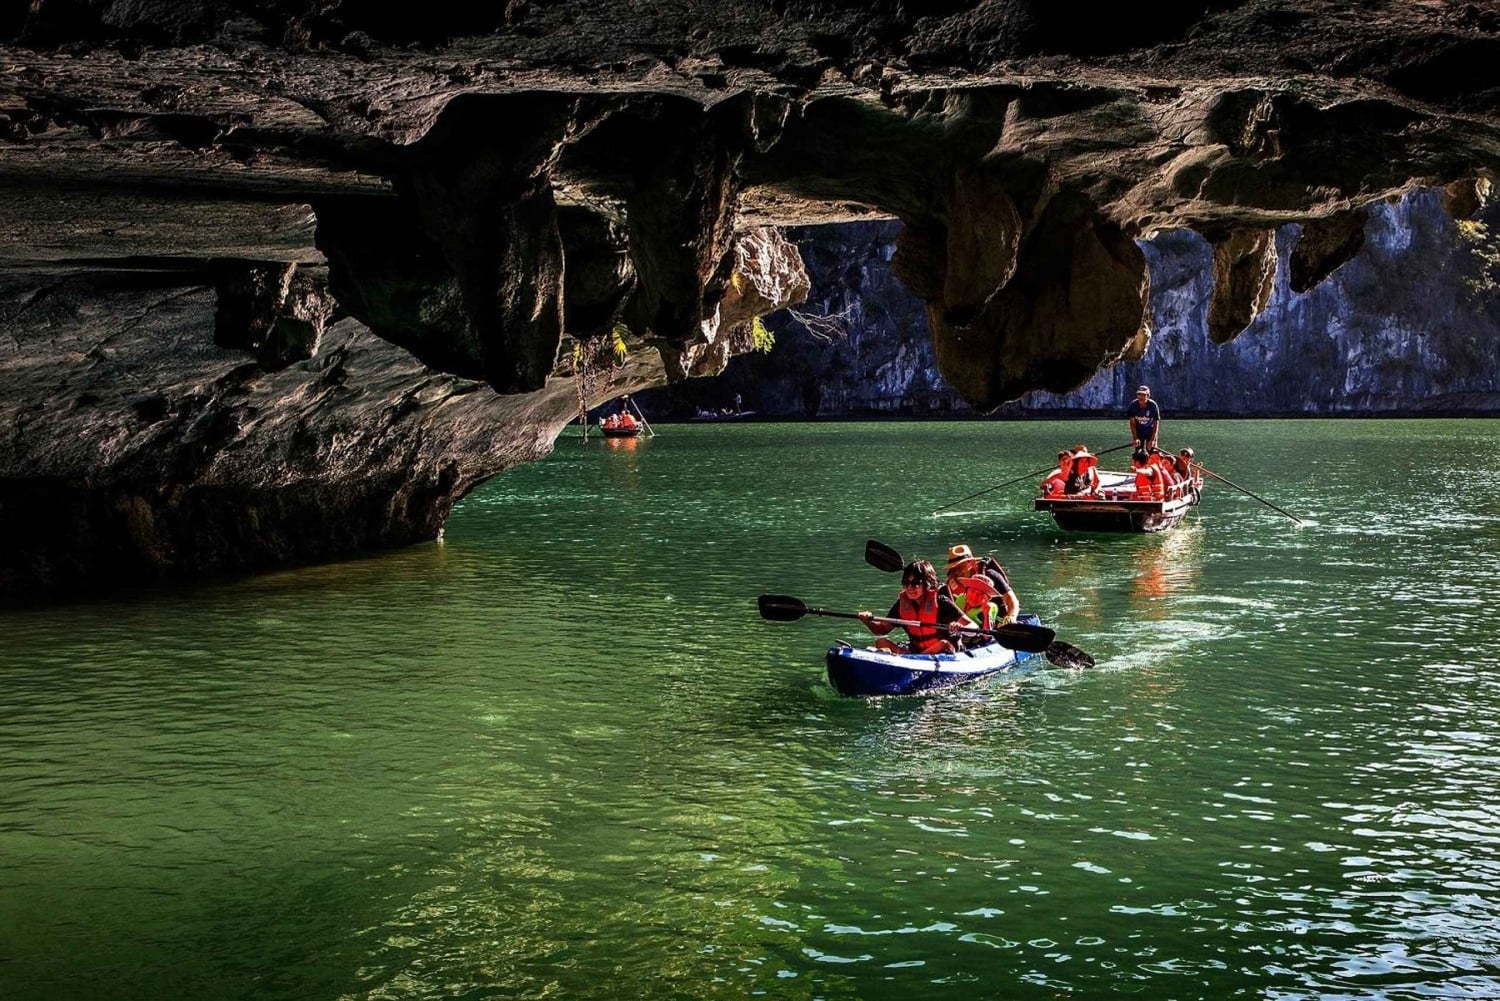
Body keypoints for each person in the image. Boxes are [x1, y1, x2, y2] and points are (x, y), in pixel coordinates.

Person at [857, 559, 967, 655]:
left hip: (944, 652)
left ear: (927, 583)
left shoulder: (941, 601)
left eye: (915, 583)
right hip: (915, 653)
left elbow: (973, 625)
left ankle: (913, 659)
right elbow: (882, 629)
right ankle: (910, 659)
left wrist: (958, 626)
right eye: (906, 582)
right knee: (881, 642)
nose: (910, 587)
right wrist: (867, 621)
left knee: (943, 643)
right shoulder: (902, 604)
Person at [943, 544, 1020, 633]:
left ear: (972, 562)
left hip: (996, 620)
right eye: (954, 568)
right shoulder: (954, 578)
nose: (957, 571)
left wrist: (1011, 616)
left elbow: (1012, 600)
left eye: (961, 566)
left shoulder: (990, 574)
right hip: (970, 621)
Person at [1125, 385, 1161, 451]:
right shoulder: (1133, 405)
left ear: (1148, 395)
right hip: (1139, 432)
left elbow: (1156, 423)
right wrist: (1135, 438)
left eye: (1144, 395)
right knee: (1138, 452)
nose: (1141, 397)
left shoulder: (1153, 405)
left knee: (1151, 450)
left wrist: (1153, 440)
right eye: (1139, 394)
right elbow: (1132, 423)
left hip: (1150, 431)